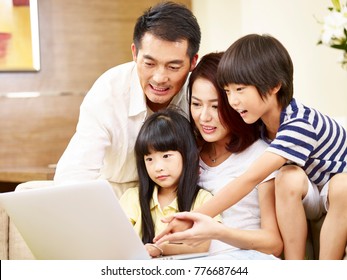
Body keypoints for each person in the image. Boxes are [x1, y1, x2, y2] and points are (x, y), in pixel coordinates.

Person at [155, 34, 347, 260]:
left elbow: (250, 178)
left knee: (340, 184)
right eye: (228, 92)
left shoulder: (299, 125)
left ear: (275, 85)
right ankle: (295, 268)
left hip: (335, 187)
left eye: (240, 90)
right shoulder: (259, 123)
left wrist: (192, 218)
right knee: (289, 176)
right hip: (311, 190)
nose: (233, 102)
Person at [54, 2, 201, 198]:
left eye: (173, 67)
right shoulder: (108, 92)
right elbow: (75, 173)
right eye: (149, 63)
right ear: (134, 53)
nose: (159, 78)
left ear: (193, 62)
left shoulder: (201, 92)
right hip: (115, 193)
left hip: (180, 194)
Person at [185, 52, 282, 259]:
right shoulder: (187, 154)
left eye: (215, 106)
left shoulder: (260, 155)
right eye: (196, 104)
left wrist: (219, 232)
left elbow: (274, 243)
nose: (204, 117)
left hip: (245, 260)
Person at [119, 108, 213, 257]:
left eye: (166, 156)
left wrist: (160, 249)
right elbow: (116, 240)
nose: (158, 167)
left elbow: (203, 246)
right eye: (149, 159)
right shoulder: (132, 198)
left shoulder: (203, 200)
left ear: (188, 154)